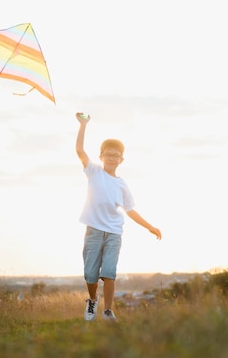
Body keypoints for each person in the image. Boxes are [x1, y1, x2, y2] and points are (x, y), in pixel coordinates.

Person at [75, 112, 162, 322]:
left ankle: (107, 310)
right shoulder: (93, 171)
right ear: (101, 156)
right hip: (94, 230)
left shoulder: (122, 184)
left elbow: (130, 210)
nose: (112, 158)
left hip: (114, 232)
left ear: (121, 160)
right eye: (108, 154)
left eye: (116, 155)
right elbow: (79, 150)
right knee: (91, 274)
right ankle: (93, 300)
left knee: (110, 272)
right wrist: (83, 125)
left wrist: (150, 227)